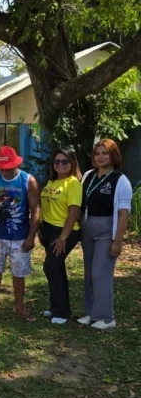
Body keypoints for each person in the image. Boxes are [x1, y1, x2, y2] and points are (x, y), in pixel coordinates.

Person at [0, 146, 40, 322]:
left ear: (16, 164)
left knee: (19, 273)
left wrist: (31, 236)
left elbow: (36, 210)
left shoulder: (28, 180)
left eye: (8, 168)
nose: (5, 172)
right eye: (1, 168)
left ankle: (20, 305)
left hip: (20, 236)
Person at [79, 139, 132, 330]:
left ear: (113, 156)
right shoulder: (88, 176)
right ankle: (91, 313)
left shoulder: (120, 180)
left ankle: (107, 317)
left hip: (106, 229)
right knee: (88, 273)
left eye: (105, 153)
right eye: (98, 153)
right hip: (87, 227)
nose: (100, 157)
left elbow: (124, 213)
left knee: (100, 273)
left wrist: (117, 241)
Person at [40, 147, 82, 324]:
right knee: (56, 269)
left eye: (64, 161)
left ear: (72, 163)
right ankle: (56, 307)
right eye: (57, 161)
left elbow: (74, 212)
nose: (60, 165)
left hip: (65, 231)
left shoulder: (73, 183)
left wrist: (63, 238)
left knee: (51, 266)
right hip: (48, 229)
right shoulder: (51, 182)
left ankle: (62, 313)